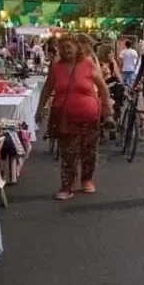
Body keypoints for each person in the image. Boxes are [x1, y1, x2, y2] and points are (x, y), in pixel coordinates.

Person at [36, 35, 112, 200]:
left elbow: (102, 86)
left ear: (77, 48)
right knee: (68, 153)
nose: (66, 50)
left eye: (69, 47)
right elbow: (47, 89)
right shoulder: (56, 67)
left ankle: (87, 179)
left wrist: (108, 107)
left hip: (89, 116)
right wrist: (39, 109)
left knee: (89, 150)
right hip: (65, 118)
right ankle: (67, 186)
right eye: (63, 48)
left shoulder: (87, 63)